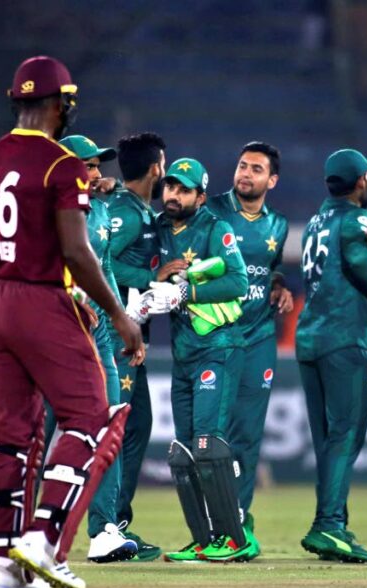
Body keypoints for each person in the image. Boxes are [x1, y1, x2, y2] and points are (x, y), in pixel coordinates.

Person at [0, 55, 144, 588]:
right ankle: (43, 541)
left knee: (11, 435)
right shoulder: (61, 164)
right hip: (40, 298)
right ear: (61, 105)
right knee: (91, 417)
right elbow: (77, 251)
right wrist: (115, 313)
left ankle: (3, 565)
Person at [39, 134, 137, 563]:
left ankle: (104, 530)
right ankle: (22, 523)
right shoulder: (46, 210)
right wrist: (72, 297)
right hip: (55, 335)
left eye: (98, 166)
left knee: (108, 432)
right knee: (36, 434)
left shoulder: (99, 211)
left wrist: (121, 322)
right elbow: (38, 268)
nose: (97, 173)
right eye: (88, 165)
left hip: (97, 341)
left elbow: (106, 271)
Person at [153, 158, 253, 563]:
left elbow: (238, 282)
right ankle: (203, 537)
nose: (173, 195)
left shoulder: (216, 229)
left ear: (200, 195)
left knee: (210, 445)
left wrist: (185, 294)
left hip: (219, 346)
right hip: (184, 354)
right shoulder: (158, 227)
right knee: (184, 452)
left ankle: (234, 538)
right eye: (170, 187)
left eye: (183, 189)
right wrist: (158, 278)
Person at [297, 148, 367, 563]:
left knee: (328, 440)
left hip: (311, 338)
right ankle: (329, 524)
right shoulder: (357, 219)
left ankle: (336, 524)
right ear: (361, 181)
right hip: (345, 338)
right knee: (345, 436)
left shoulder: (317, 220)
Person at [205, 142, 291, 557]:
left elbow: (268, 269)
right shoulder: (211, 210)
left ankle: (237, 519)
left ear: (271, 181)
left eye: (257, 169)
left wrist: (278, 284)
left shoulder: (278, 225)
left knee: (248, 436)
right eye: (242, 166)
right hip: (217, 338)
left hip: (259, 338)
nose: (246, 174)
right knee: (211, 435)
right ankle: (209, 523)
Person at [107, 131, 172, 562]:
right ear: (156, 168)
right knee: (126, 430)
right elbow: (100, 262)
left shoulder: (137, 210)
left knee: (134, 428)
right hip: (117, 337)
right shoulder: (128, 214)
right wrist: (152, 280)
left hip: (130, 335)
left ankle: (112, 520)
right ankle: (109, 523)